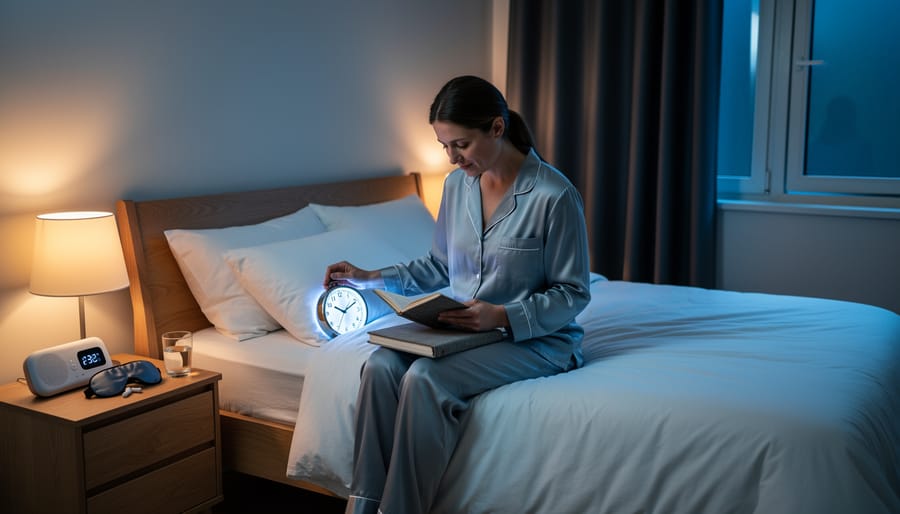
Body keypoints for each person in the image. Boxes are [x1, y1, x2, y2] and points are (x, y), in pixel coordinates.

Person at [324, 75, 591, 514]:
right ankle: (363, 504)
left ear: (497, 129)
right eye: (444, 146)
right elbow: (439, 266)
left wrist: (501, 315)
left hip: (538, 340)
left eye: (460, 145)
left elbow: (573, 294)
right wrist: (369, 276)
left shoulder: (554, 194)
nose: (451, 158)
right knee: (379, 367)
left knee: (425, 379)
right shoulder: (456, 187)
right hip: (462, 332)